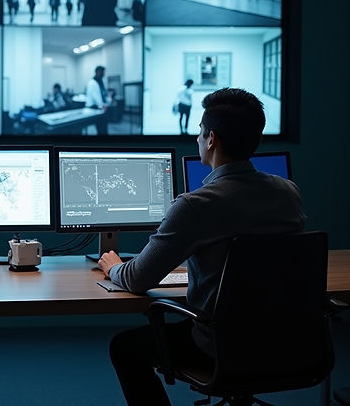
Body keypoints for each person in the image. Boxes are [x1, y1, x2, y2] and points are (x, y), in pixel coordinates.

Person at [101, 88, 306, 406]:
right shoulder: (288, 192)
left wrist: (112, 266)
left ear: (211, 139)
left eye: (199, 130)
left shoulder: (196, 206)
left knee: (124, 347)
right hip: (287, 341)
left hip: (221, 345)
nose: (197, 137)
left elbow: (139, 278)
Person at [84, 66, 110, 135]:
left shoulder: (100, 81)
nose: (104, 74)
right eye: (103, 72)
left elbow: (103, 94)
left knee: (103, 126)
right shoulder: (92, 82)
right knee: (102, 127)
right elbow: (96, 97)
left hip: (99, 106)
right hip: (93, 107)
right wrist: (102, 106)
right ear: (98, 72)